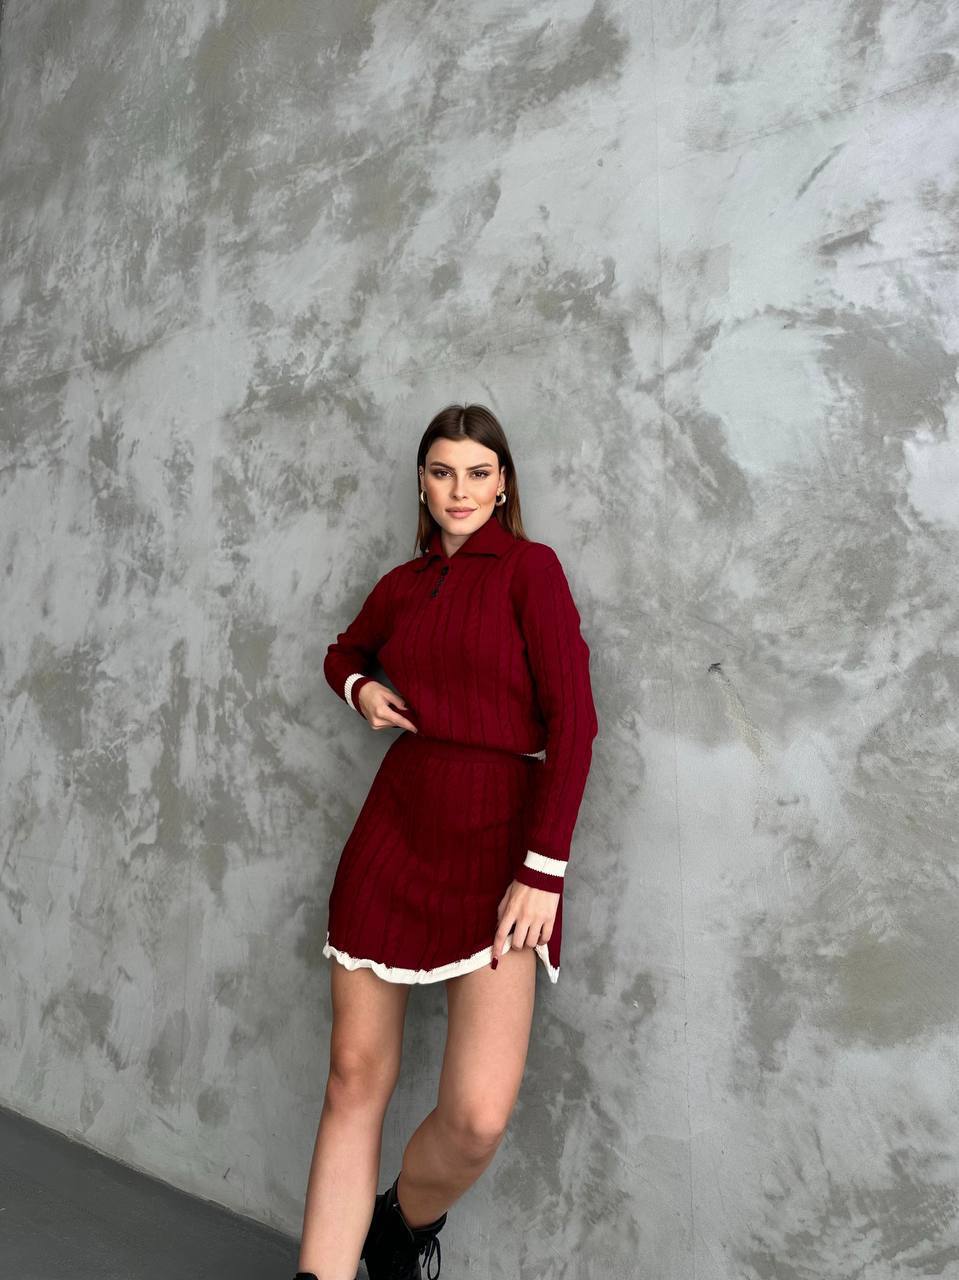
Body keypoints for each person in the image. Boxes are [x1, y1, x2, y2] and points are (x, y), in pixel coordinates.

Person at [294, 403, 599, 1280]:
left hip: (503, 845)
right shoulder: (403, 582)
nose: (458, 490)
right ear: (421, 484)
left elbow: (574, 724)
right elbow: (342, 651)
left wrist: (542, 873)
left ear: (502, 484)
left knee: (475, 1118)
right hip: (395, 830)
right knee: (353, 1078)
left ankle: (395, 1230)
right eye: (440, 472)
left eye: (476, 472)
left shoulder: (530, 571)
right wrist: (360, 688)